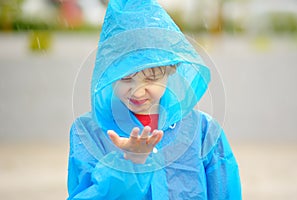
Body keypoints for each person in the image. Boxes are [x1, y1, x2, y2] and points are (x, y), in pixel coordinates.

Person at [67, 0, 242, 199]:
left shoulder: (203, 132)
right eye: (125, 78)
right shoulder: (89, 132)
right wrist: (129, 163)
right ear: (108, 73)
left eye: (151, 78)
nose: (138, 92)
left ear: (172, 68)